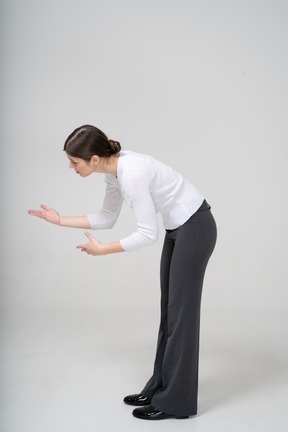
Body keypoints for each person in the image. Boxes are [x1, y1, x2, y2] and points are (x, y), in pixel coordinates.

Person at [28, 125, 217, 420]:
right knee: (170, 311)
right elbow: (106, 218)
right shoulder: (113, 170)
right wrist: (61, 219)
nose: (70, 166)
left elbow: (146, 234)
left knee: (181, 314)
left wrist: (103, 251)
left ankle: (176, 403)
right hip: (179, 229)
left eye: (74, 161)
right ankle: (159, 388)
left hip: (195, 227)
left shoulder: (132, 172)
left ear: (93, 158)